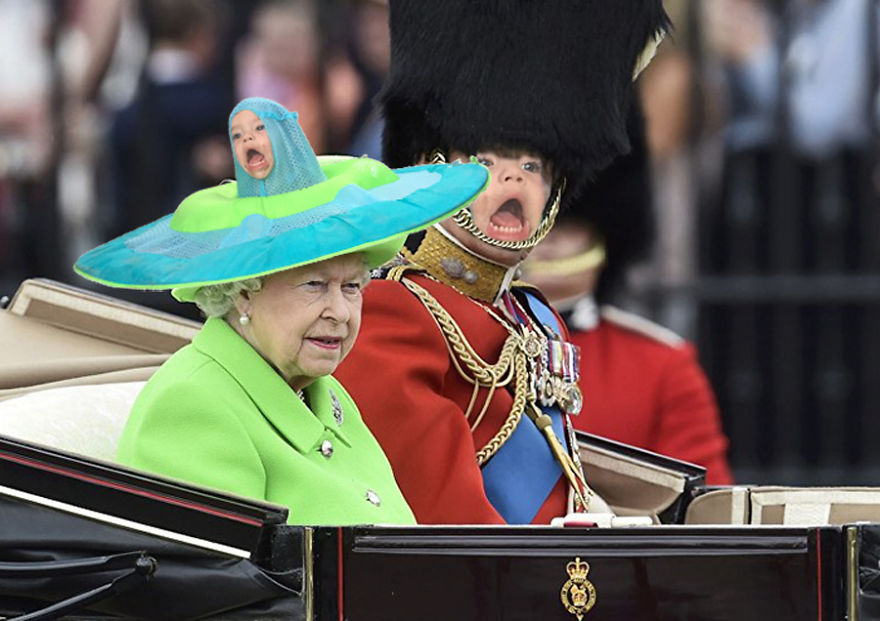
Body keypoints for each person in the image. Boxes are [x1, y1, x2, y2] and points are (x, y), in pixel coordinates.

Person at [74, 97, 489, 525]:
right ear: (243, 293)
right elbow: (218, 587)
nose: (341, 313)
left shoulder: (324, 393)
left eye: (352, 287)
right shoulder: (193, 404)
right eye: (314, 286)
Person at [335, 0, 670, 524]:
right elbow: (447, 525)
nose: (513, 180)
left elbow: (559, 486)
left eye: (532, 164)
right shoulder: (392, 314)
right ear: (433, 168)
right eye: (485, 161)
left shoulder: (532, 316)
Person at [521, 102, 734, 485]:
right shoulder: (471, 346)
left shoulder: (661, 366)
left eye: (569, 226)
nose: (547, 239)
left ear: (607, 236)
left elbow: (703, 510)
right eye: (536, 222)